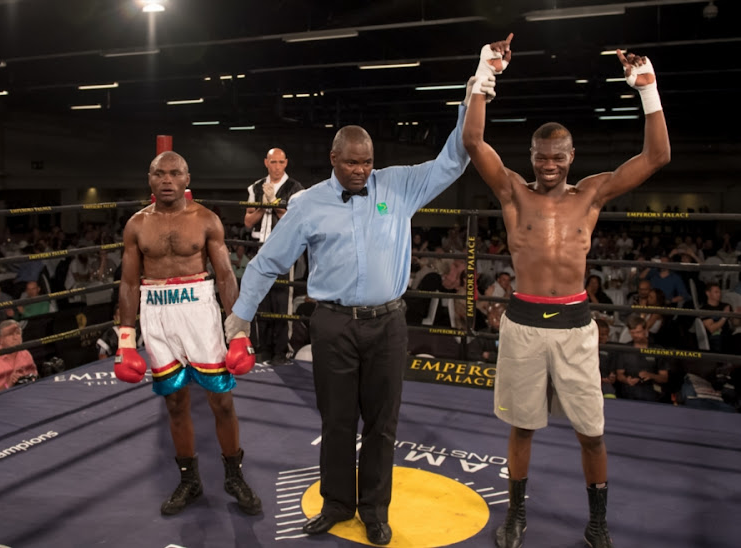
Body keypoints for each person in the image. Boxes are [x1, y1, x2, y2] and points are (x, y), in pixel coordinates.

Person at [225, 75, 494, 546]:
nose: (360, 171)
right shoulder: (307, 204)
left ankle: (374, 509)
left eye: (367, 162)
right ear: (333, 160)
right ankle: (335, 505)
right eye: (351, 162)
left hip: (389, 322)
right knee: (336, 421)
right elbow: (269, 260)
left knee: (383, 425)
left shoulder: (400, 185)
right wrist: (241, 317)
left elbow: (455, 156)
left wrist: (475, 92)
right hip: (331, 323)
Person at [462, 33, 670, 548]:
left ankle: (597, 521)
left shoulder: (592, 193)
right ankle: (515, 515)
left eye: (556, 156)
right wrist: (484, 76)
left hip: (576, 325)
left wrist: (648, 91)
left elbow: (658, 156)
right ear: (531, 155)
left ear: (571, 155)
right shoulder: (513, 191)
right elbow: (472, 143)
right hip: (523, 324)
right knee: (522, 427)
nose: (547, 164)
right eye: (540, 155)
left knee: (591, 432)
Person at [115, 151, 261, 517]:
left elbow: (226, 275)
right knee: (175, 402)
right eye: (159, 173)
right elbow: (130, 281)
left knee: (221, 400)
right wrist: (125, 339)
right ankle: (189, 481)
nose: (167, 179)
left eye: (174, 173)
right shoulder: (136, 225)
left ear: (186, 178)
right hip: (156, 312)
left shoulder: (206, 220)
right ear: (149, 179)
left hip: (198, 310)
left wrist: (239, 331)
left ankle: (234, 476)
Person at [244, 148, 305, 366]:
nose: (277, 166)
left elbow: (297, 220)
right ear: (266, 162)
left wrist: (276, 203)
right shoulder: (256, 187)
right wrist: (264, 204)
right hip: (260, 247)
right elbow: (248, 221)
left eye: (281, 162)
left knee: (281, 300)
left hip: (283, 248)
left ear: (286, 163)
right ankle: (264, 349)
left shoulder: (296, 189)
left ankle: (282, 350)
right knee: (261, 300)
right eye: (273, 162)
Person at [0, 319, 38, 392]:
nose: (15, 338)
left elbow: (35, 378)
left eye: (18, 333)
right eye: (10, 334)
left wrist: (26, 379)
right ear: (0, 340)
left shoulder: (25, 353)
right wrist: (8, 385)